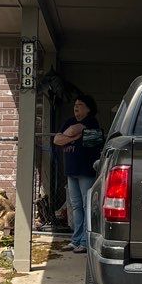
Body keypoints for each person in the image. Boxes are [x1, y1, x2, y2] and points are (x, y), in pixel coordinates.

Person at [53, 93, 102, 253]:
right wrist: (73, 138)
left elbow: (75, 131)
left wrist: (72, 133)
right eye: (75, 105)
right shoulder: (69, 121)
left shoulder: (92, 123)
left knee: (86, 206)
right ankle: (75, 240)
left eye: (80, 105)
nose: (76, 107)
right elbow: (57, 140)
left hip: (86, 171)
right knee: (76, 206)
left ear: (88, 109)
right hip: (71, 170)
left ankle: (85, 242)